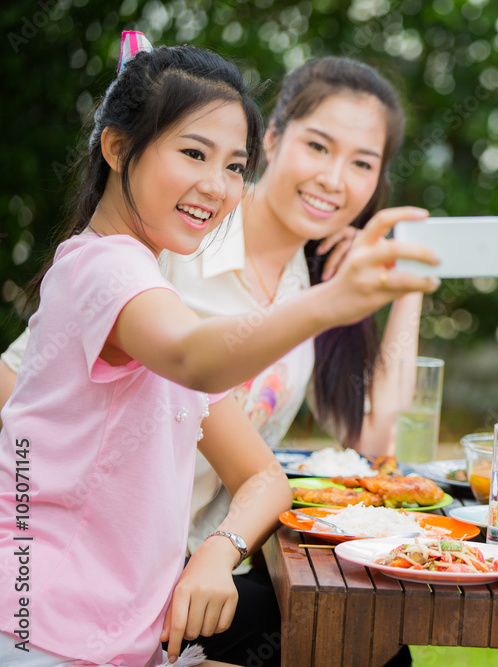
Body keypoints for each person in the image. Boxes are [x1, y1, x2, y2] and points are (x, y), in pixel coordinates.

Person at [0, 34, 438, 666]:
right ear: (119, 149)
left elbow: (265, 467)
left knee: (363, 637)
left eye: (233, 166)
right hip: (50, 617)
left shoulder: (163, 273)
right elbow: (193, 356)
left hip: (132, 607)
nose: (216, 185)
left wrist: (218, 547)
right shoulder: (113, 269)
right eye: (193, 153)